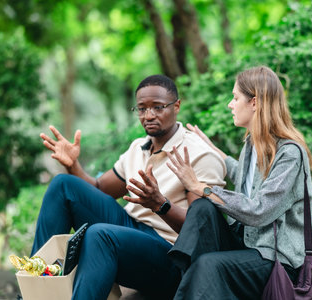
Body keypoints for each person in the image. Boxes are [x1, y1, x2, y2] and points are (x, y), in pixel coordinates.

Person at [31, 74, 226, 300]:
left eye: (158, 107)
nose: (149, 115)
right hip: (131, 229)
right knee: (64, 185)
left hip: (171, 254)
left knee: (100, 235)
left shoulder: (199, 154)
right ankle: (36, 290)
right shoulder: (138, 148)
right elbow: (100, 189)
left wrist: (160, 205)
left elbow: (202, 232)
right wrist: (74, 166)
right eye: (142, 109)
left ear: (177, 106)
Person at [165, 66, 312, 299]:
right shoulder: (251, 144)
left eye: (235, 98)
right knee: (202, 208)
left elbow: (260, 211)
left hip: (277, 260)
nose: (230, 104)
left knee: (209, 264)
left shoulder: (290, 153)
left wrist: (201, 188)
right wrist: (216, 154)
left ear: (254, 102)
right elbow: (246, 180)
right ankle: (180, 272)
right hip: (246, 245)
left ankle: (184, 278)